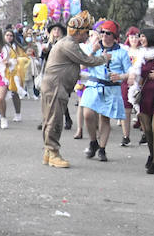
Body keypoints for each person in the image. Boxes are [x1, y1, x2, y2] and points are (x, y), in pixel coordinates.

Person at [39, 11, 110, 168]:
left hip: (55, 86)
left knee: (50, 119)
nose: (87, 36)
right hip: (55, 87)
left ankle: (48, 152)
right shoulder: (69, 44)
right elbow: (86, 60)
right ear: (77, 32)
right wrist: (104, 58)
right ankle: (53, 153)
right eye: (86, 32)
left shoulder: (68, 43)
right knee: (54, 120)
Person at [81, 20, 131, 162]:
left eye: (108, 33)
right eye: (102, 32)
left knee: (105, 118)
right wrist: (93, 51)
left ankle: (102, 148)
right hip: (94, 84)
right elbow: (83, 65)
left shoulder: (121, 52)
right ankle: (93, 141)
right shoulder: (93, 47)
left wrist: (120, 76)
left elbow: (129, 72)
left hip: (111, 87)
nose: (104, 35)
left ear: (114, 36)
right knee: (88, 114)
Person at [128, 27, 154, 174]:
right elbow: (133, 72)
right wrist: (131, 77)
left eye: (143, 36)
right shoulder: (141, 54)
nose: (140, 39)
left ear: (151, 37)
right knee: (147, 130)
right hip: (144, 96)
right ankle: (152, 153)